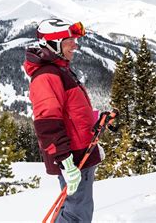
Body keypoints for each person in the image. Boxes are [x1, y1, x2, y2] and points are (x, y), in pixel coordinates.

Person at [24, 18, 114, 222]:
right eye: (69, 41)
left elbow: (71, 113)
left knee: (73, 209)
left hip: (79, 151)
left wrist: (96, 118)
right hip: (73, 156)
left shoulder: (60, 70)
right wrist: (66, 162)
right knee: (77, 215)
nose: (75, 45)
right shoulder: (47, 76)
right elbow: (47, 123)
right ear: (54, 44)